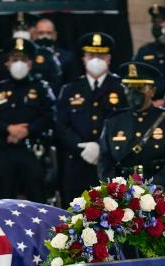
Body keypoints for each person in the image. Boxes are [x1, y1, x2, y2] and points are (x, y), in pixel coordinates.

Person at [0, 37, 55, 203]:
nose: (19, 63)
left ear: (30, 63)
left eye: (23, 59)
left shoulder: (41, 88)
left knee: (38, 201)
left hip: (33, 152)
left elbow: (50, 116)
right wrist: (8, 129)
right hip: (5, 152)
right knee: (5, 202)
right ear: (7, 63)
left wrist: (27, 130)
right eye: (15, 59)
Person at [55, 32, 125, 204]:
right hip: (76, 162)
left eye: (100, 55)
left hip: (110, 164)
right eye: (91, 55)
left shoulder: (122, 88)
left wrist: (102, 147)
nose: (96, 59)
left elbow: (125, 124)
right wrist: (80, 148)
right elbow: (61, 126)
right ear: (84, 58)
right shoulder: (70, 89)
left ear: (108, 58)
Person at [98, 62, 165, 196]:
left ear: (153, 91)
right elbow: (105, 161)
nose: (133, 92)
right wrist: (115, 189)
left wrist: (150, 188)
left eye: (140, 87)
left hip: (161, 192)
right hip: (122, 194)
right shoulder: (113, 121)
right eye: (128, 87)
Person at [0, 13, 62, 91]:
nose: (21, 31)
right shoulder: (2, 56)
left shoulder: (45, 55)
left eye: (26, 28)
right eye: (17, 28)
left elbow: (55, 82)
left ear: (34, 30)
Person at [135, 4, 165, 99]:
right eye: (154, 22)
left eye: (161, 22)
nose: (157, 25)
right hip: (149, 102)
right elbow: (137, 78)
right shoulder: (144, 51)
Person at [33, 17, 75, 89]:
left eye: (49, 33)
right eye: (41, 33)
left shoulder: (66, 56)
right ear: (34, 35)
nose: (45, 37)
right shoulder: (29, 55)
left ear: (55, 35)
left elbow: (71, 83)